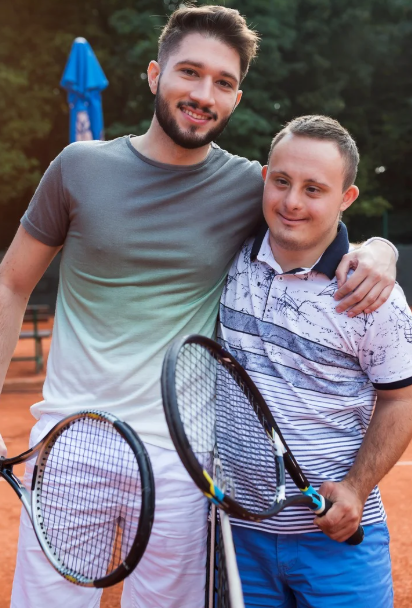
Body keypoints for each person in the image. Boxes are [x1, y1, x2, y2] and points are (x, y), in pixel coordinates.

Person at [0, 6, 397, 608]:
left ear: (236, 98)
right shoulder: (77, 168)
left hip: (186, 460)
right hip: (70, 442)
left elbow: (317, 213)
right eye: (191, 72)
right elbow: (10, 285)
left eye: (224, 82)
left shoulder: (251, 187)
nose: (204, 93)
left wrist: (382, 248)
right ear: (156, 75)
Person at [219, 114, 412, 608]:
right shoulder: (228, 253)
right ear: (265, 178)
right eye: (281, 182)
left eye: (314, 189)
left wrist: (354, 489)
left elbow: (401, 400)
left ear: (346, 198)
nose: (291, 202)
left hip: (338, 541)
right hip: (237, 536)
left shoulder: (375, 297)